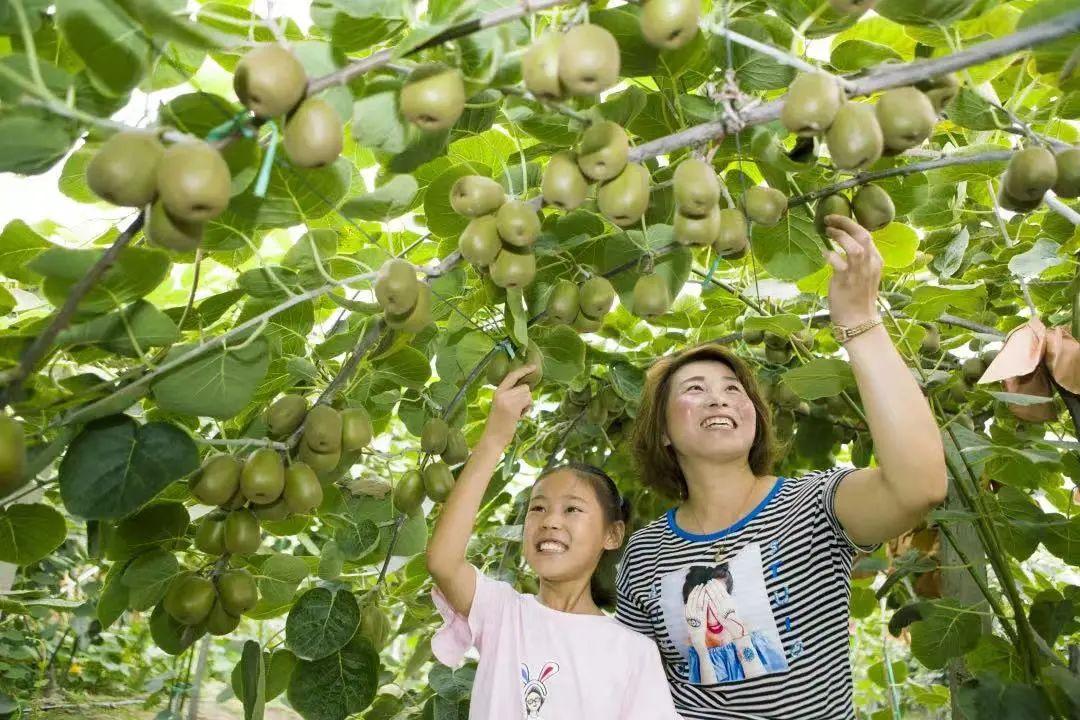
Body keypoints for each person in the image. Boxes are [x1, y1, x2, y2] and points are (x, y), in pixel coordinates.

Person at [616, 214, 948, 719]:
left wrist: (859, 323)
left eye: (734, 390)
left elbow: (920, 486)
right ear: (662, 431)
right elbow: (633, 686)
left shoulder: (813, 505)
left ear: (755, 415)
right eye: (694, 390)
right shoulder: (644, 554)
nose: (719, 400)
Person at [427, 363, 682, 719]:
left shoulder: (633, 651)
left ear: (613, 534)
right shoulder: (503, 614)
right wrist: (493, 440)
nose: (550, 521)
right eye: (538, 508)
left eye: (573, 510)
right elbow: (443, 561)